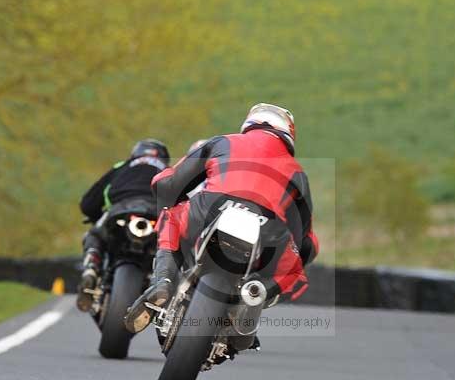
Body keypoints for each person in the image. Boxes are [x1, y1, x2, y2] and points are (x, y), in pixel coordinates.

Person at [125, 103, 318, 333]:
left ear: (249, 124)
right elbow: (305, 240)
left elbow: (171, 183)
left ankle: (163, 281)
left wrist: (162, 185)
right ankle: (255, 295)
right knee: (293, 270)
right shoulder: (297, 172)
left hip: (212, 207)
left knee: (170, 216)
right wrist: (288, 260)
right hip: (267, 226)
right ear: (288, 134)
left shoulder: (222, 142)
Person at [76, 139, 170, 312]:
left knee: (95, 234)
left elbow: (88, 203)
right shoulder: (170, 171)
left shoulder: (123, 166)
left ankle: (91, 267)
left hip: (121, 210)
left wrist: (95, 216)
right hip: (156, 215)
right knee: (169, 247)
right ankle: (160, 281)